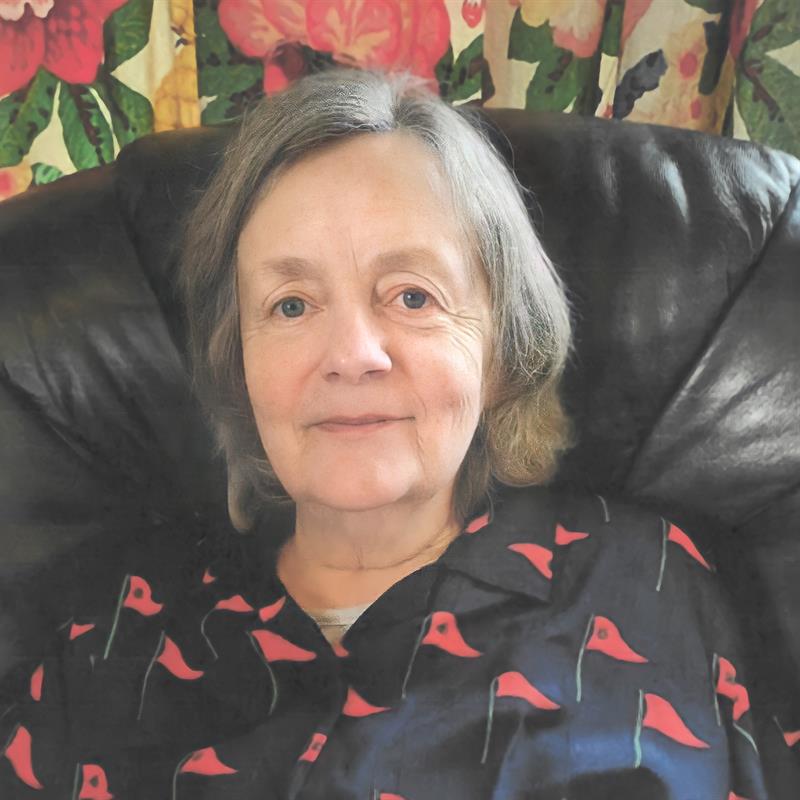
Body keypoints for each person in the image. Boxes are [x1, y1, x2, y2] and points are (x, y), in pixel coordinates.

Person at [0, 66, 797, 800]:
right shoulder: (113, 633)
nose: (352, 354)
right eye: (290, 305)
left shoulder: (647, 582)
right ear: (238, 363)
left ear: (500, 351)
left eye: (412, 296)